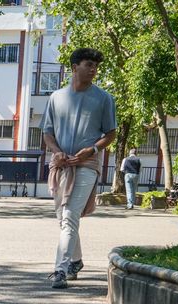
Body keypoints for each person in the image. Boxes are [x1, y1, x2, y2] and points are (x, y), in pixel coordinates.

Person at [41, 47, 117, 289]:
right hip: (61, 165)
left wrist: (92, 150)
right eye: (88, 64)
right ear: (74, 68)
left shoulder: (104, 99)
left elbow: (111, 133)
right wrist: (57, 151)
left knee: (70, 216)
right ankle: (75, 261)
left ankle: (60, 270)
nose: (93, 69)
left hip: (87, 164)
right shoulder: (56, 97)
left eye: (95, 66)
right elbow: (47, 132)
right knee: (63, 218)